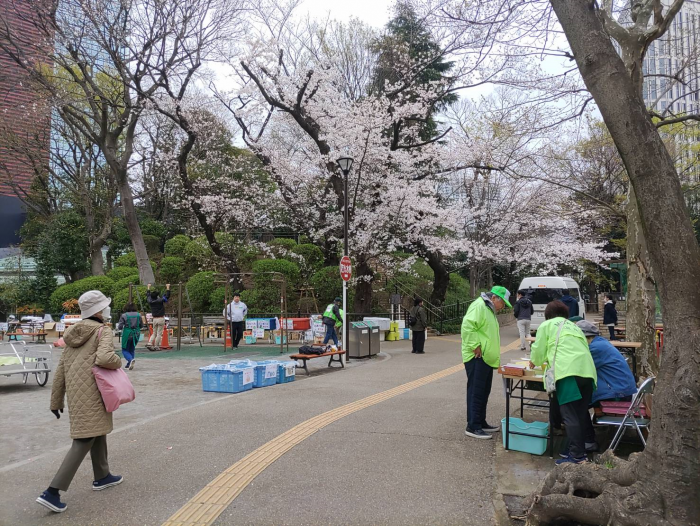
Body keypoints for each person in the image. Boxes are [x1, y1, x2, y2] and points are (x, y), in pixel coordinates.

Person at [37, 291, 123, 513]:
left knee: (96, 430)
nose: (106, 311)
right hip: (96, 391)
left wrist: (56, 401)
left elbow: (60, 371)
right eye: (104, 307)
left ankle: (102, 475)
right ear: (98, 311)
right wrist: (119, 361)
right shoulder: (103, 330)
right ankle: (52, 492)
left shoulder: (70, 334)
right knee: (84, 439)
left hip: (77, 394)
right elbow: (105, 358)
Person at [530, 300, 597, 464]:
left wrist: (534, 360)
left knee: (569, 415)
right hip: (588, 373)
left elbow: (538, 353)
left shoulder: (547, 325)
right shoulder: (575, 326)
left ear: (548, 315)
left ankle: (577, 457)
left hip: (567, 373)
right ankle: (578, 451)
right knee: (580, 414)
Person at [461, 285, 511, 439]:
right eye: (502, 303)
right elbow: (467, 326)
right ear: (494, 298)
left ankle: (480, 422)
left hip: (486, 358)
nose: (502, 307)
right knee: (476, 392)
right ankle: (473, 426)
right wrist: (475, 346)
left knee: (483, 391)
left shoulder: (488, 308)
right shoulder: (480, 306)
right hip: (477, 357)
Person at [576, 320, 637, 405]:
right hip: (622, 389)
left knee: (574, 401)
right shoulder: (601, 342)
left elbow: (579, 368)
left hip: (617, 393)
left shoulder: (595, 348)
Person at [146, 283, 170, 351]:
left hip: (154, 319)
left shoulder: (150, 301)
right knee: (159, 333)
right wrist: (167, 288)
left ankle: (150, 343)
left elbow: (148, 296)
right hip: (161, 318)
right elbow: (167, 297)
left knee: (154, 332)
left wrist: (148, 288)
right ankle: (156, 346)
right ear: (157, 296)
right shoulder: (160, 300)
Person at [117, 303, 140, 370]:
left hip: (127, 334)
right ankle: (129, 364)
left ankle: (130, 360)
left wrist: (120, 328)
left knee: (125, 349)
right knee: (132, 349)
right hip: (136, 334)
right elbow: (141, 325)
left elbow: (120, 327)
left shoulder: (124, 315)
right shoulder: (138, 315)